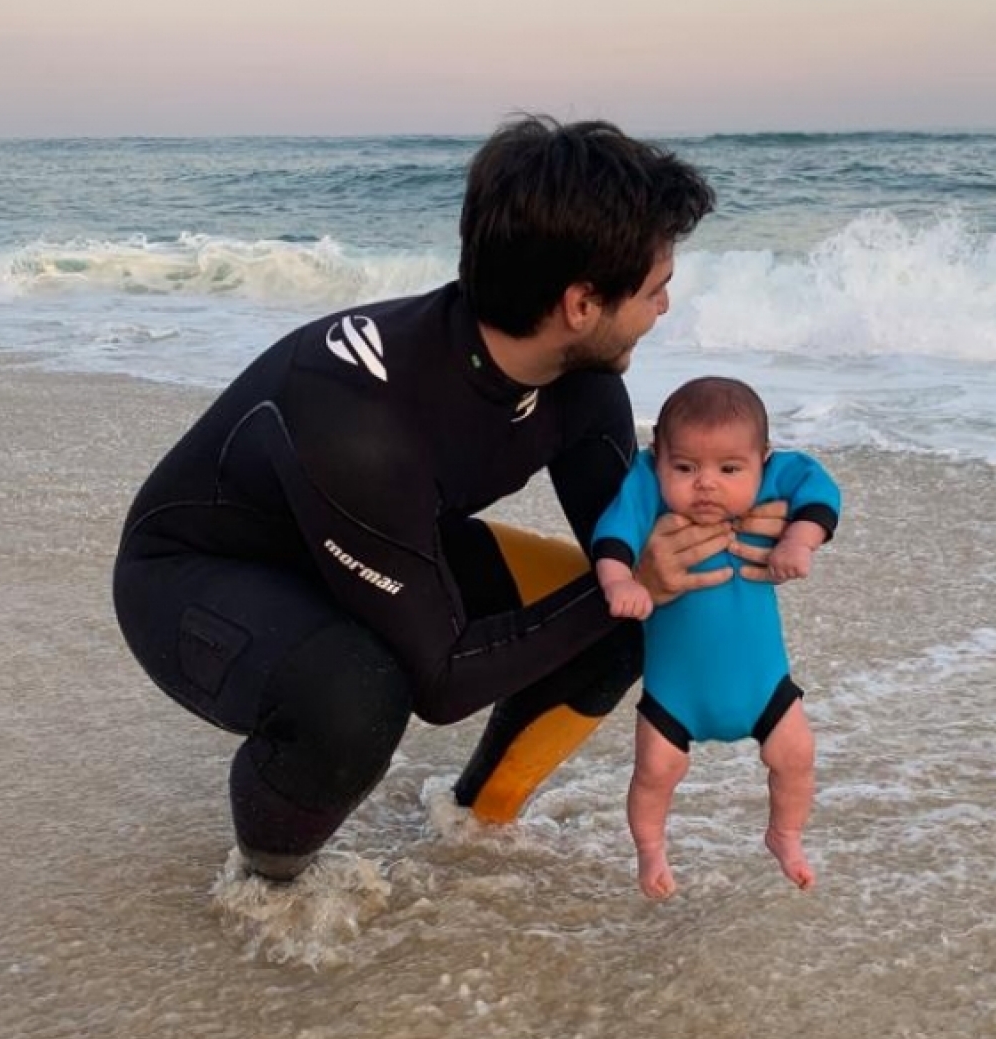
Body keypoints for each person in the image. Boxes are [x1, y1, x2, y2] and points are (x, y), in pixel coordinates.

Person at [113, 116, 774, 882]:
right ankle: (268, 882)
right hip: (200, 577)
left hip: (383, 538)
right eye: (656, 289)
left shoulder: (583, 379)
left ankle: (476, 826)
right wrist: (635, 586)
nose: (664, 308)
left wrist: (740, 528)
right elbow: (443, 684)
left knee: (622, 613)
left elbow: (629, 550)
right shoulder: (358, 417)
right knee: (356, 694)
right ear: (581, 304)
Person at [592, 376, 841, 901]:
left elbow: (819, 487)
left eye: (729, 469)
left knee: (796, 754)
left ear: (762, 460)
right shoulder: (647, 487)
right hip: (673, 696)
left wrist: (800, 538)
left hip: (763, 687)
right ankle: (651, 850)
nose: (706, 483)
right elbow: (614, 531)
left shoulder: (776, 480)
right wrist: (620, 579)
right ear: (657, 455)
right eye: (685, 467)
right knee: (654, 772)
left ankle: (786, 835)